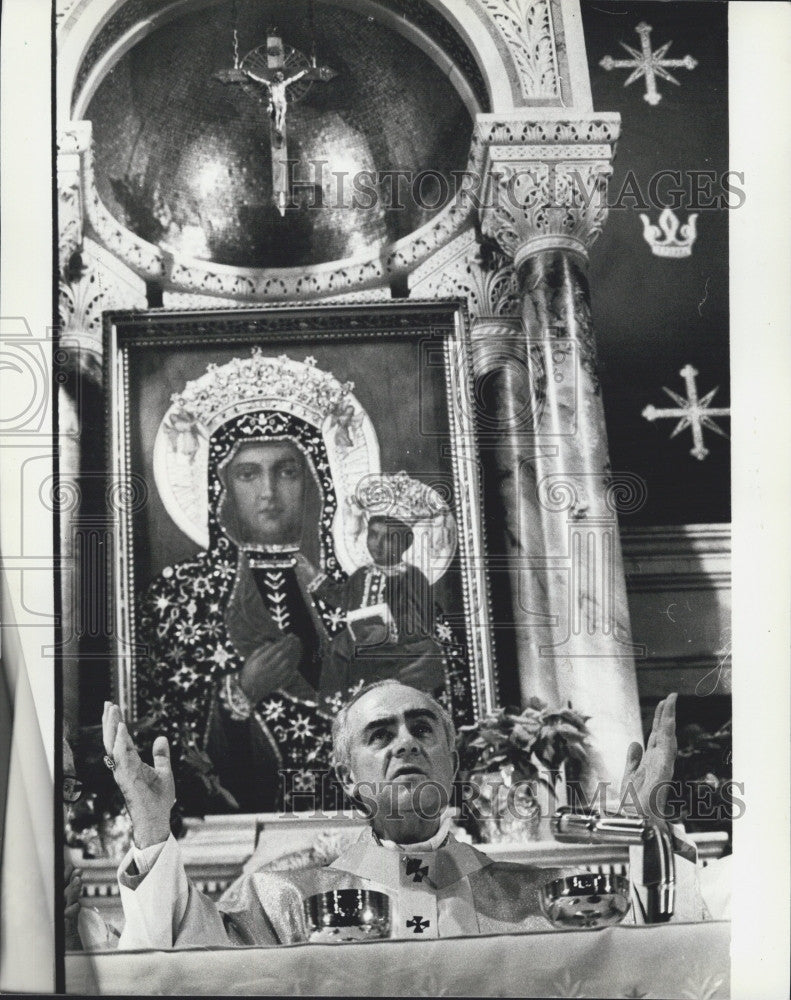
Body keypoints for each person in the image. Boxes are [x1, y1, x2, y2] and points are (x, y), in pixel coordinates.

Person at [102, 683, 710, 948]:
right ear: (348, 778)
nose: (405, 744)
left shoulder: (538, 893)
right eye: (380, 734)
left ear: (453, 764)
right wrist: (153, 831)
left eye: (423, 729)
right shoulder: (275, 897)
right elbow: (183, 957)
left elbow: (661, 947)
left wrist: (648, 826)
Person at [317, 513, 446, 700]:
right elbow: (344, 598)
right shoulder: (361, 574)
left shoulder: (411, 576)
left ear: (402, 545)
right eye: (373, 535)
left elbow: (419, 622)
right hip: (363, 640)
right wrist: (316, 580)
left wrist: (388, 631)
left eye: (388, 538)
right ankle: (336, 706)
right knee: (338, 647)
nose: (377, 543)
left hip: (399, 646)